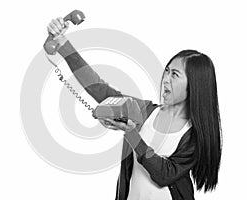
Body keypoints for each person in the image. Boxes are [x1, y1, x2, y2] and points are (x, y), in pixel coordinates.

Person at [45, 17, 222, 200]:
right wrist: (62, 43)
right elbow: (100, 89)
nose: (166, 79)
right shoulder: (145, 112)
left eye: (175, 75)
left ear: (194, 85)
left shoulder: (194, 134)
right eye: (167, 71)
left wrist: (132, 135)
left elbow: (164, 174)